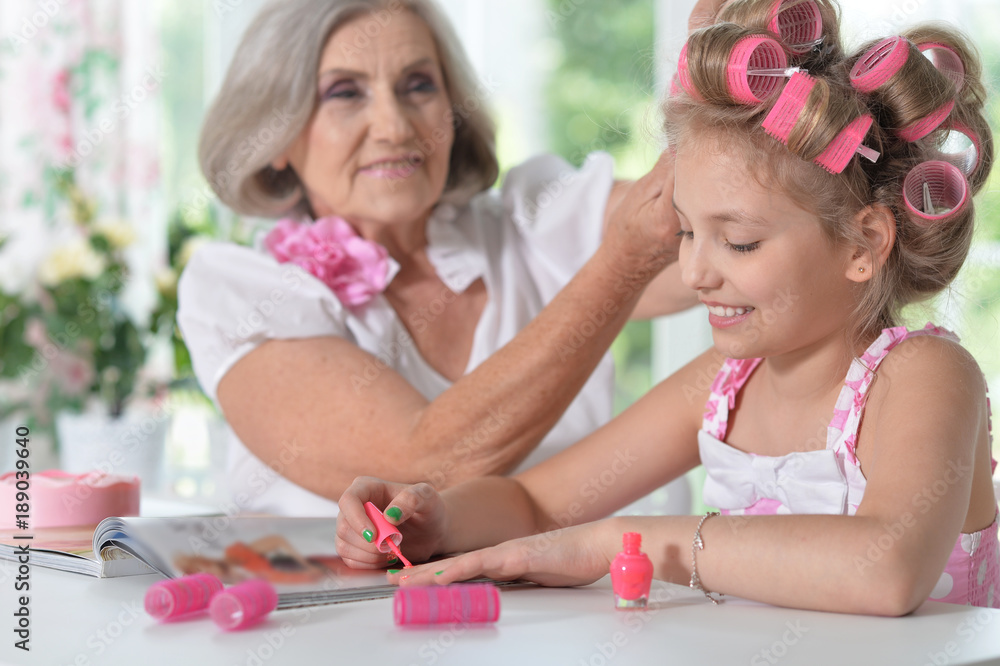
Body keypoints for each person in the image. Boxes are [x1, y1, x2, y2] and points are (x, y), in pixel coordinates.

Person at [336, 0, 1000, 615]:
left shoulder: (923, 378)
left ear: (864, 244)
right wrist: (440, 519)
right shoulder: (726, 385)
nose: (693, 273)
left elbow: (887, 571)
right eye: (686, 232)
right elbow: (537, 504)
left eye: (739, 242)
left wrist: (624, 542)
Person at [178, 0, 705, 517]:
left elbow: (717, 226)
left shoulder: (532, 222)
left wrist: (724, 83)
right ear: (277, 134)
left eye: (418, 85)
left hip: (599, 577)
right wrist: (623, 261)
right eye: (345, 92)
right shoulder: (245, 293)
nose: (394, 127)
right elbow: (425, 468)